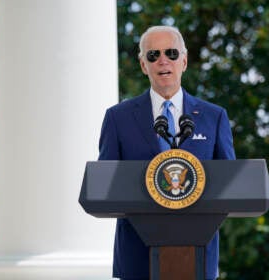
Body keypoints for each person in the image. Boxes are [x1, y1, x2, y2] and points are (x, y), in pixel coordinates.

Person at [98, 25, 235, 280]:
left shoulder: (213, 117)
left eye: (171, 53)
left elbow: (230, 183)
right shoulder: (118, 118)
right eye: (153, 55)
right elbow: (105, 182)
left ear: (184, 60)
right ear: (143, 65)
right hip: (137, 258)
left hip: (198, 257)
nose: (163, 61)